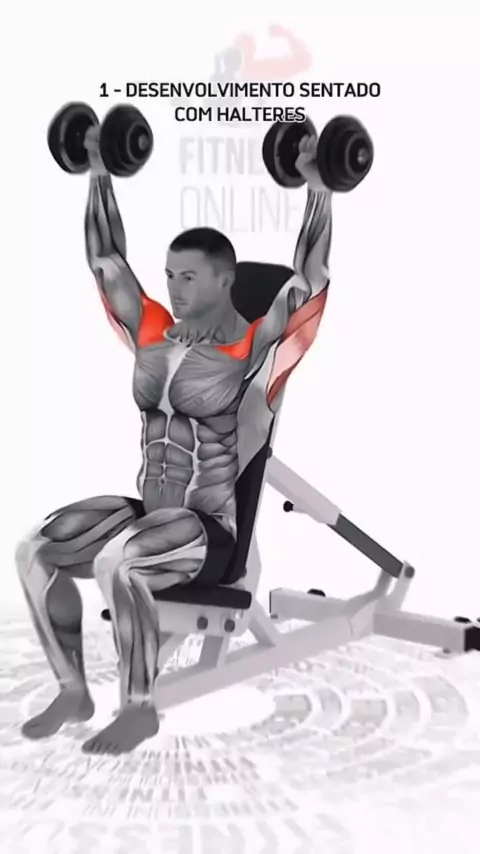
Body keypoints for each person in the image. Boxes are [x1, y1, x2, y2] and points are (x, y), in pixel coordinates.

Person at [15, 128, 332, 755]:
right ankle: (73, 690)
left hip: (209, 533)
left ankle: (140, 708)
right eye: (169, 275)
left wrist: (319, 186)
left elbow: (309, 281)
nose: (174, 288)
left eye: (188, 277)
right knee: (35, 549)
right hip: (150, 515)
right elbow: (106, 261)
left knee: (117, 561)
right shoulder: (155, 334)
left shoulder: (252, 353)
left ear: (226, 281)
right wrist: (98, 170)